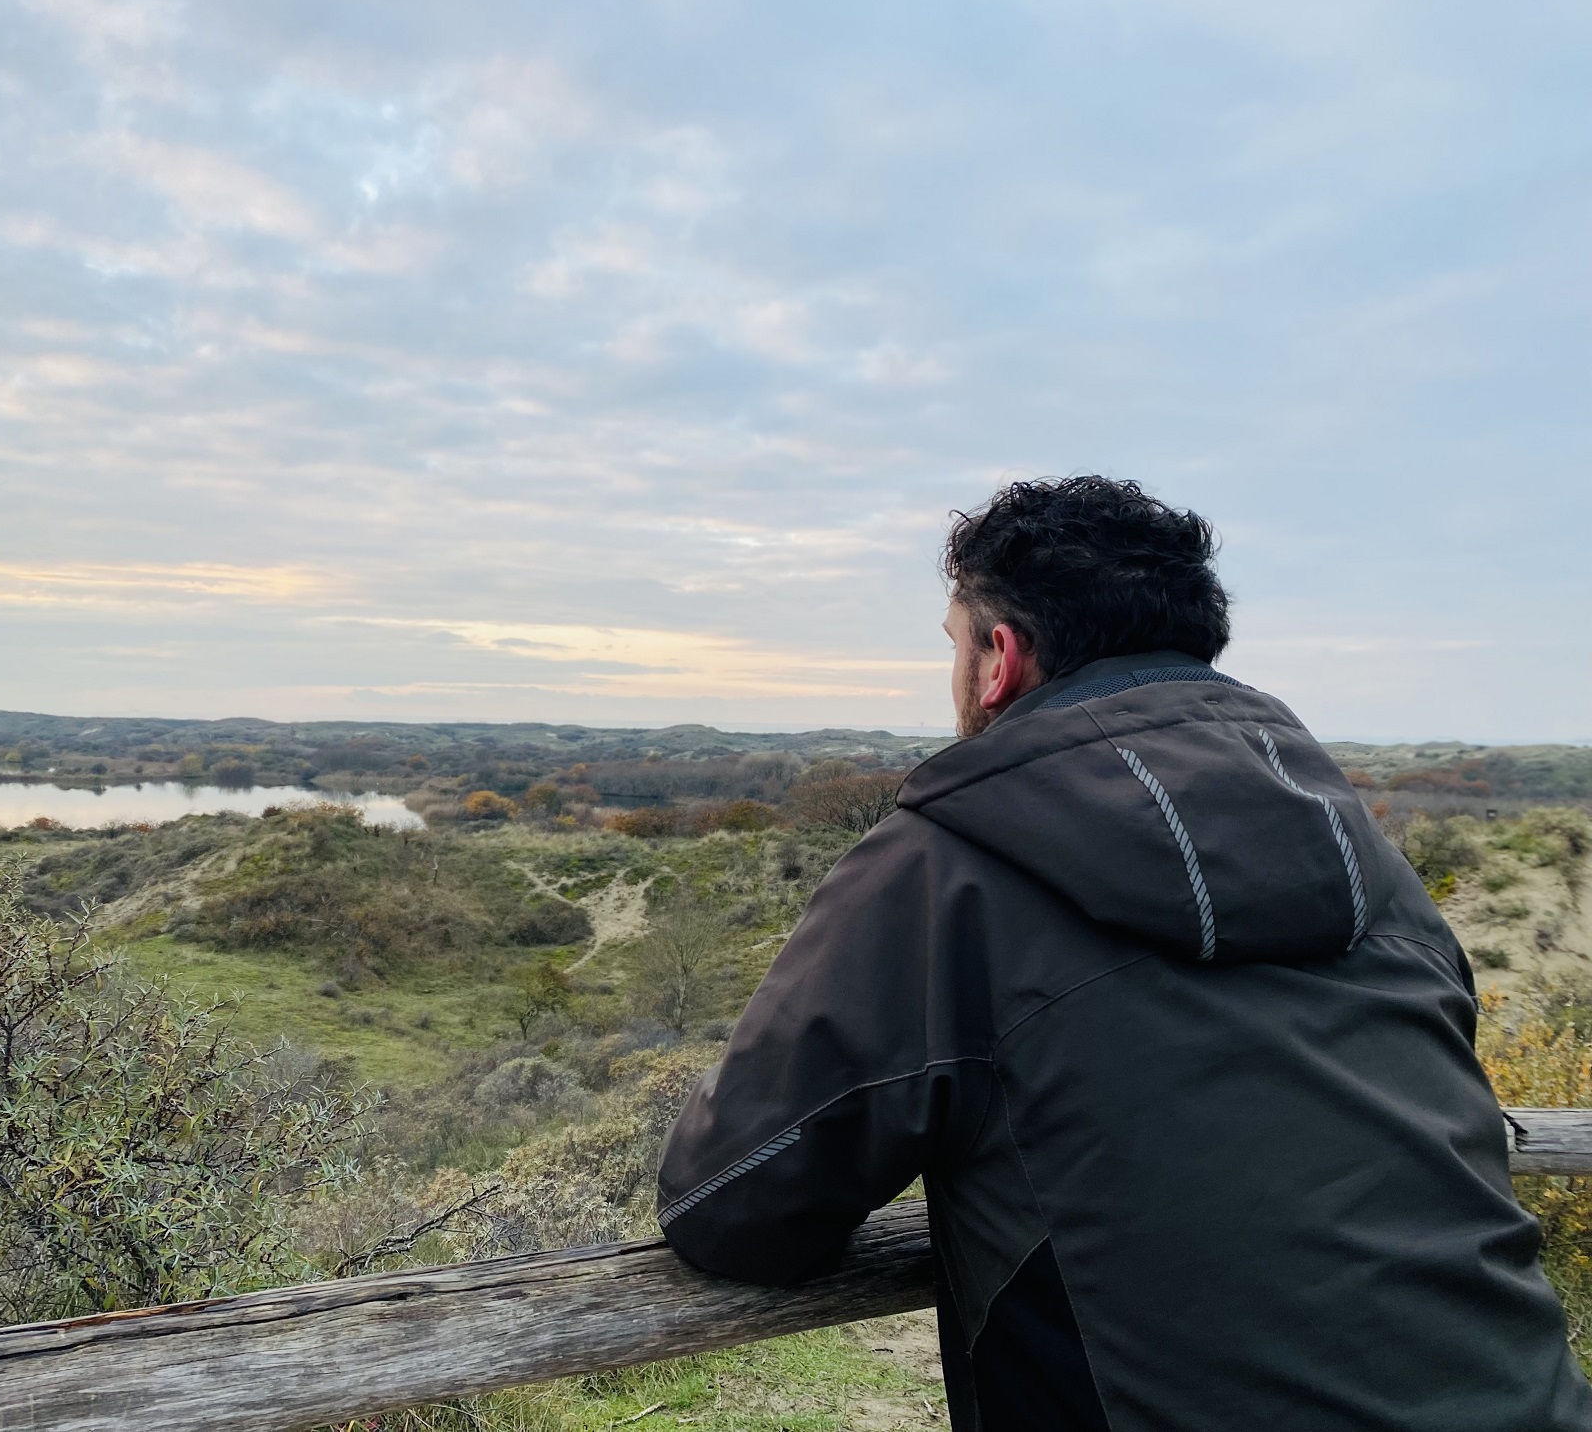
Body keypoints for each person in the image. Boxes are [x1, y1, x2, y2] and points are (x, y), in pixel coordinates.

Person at [655, 476, 1592, 1431]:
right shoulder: (1360, 845)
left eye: (954, 641)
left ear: (999, 660)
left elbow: (734, 1206)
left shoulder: (944, 863)